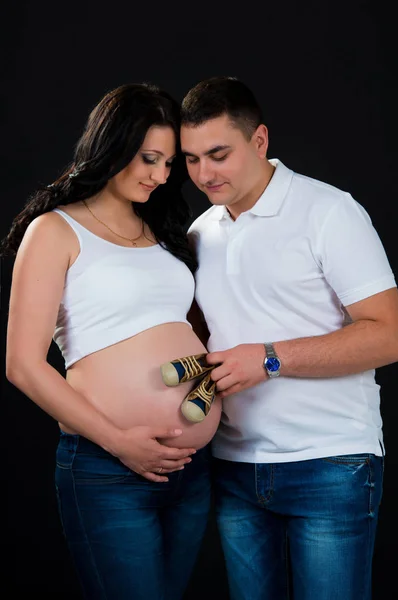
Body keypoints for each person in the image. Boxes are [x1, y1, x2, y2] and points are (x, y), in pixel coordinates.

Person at [180, 75, 398, 600]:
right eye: (190, 159)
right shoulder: (200, 233)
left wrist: (270, 358)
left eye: (218, 154)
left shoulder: (328, 212)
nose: (204, 174)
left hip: (330, 462)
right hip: (235, 467)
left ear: (259, 140)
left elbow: (389, 335)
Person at [3, 82, 222, 600]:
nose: (160, 175)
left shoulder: (163, 232)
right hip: (110, 468)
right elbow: (22, 365)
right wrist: (121, 442)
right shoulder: (55, 231)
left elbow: (188, 328)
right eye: (148, 158)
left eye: (169, 163)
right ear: (112, 145)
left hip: (191, 472)